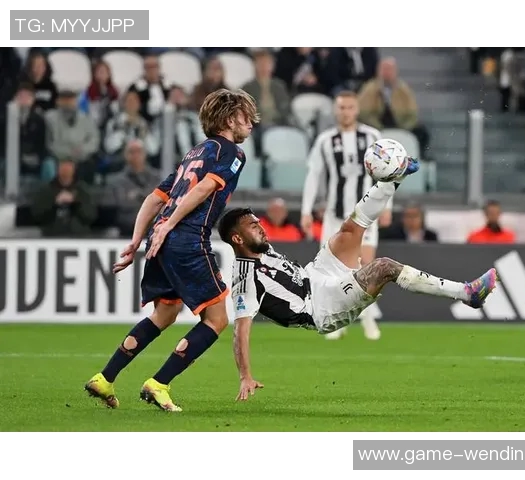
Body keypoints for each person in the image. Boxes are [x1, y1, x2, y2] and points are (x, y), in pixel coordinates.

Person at [219, 163, 497, 402]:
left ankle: (394, 177)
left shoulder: (260, 248)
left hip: (315, 275)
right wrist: (245, 376)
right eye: (253, 226)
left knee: (350, 229)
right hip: (320, 307)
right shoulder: (245, 280)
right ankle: (467, 293)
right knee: (383, 267)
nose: (261, 227)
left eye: (258, 222)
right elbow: (240, 329)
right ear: (238, 239)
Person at [84, 89, 260, 412]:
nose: (251, 123)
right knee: (217, 319)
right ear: (229, 119)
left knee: (164, 314)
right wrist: (172, 225)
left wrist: (137, 240)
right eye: (245, 116)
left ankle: (105, 378)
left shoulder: (194, 153)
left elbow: (155, 198)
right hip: (187, 238)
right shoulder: (232, 152)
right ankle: (159, 383)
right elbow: (206, 187)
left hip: (160, 238)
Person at [301, 90, 389, 341]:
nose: (346, 112)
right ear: (335, 110)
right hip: (335, 216)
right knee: (333, 271)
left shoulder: (372, 137)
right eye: (341, 107)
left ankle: (368, 318)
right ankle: (338, 322)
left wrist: (387, 206)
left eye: (350, 107)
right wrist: (306, 210)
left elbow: (387, 172)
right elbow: (313, 175)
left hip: (366, 214)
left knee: (367, 266)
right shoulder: (325, 140)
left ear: (357, 110)